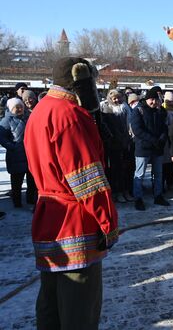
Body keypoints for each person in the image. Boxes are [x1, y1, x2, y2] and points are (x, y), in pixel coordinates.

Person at [24, 57, 118, 329]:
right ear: (81, 79)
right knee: (79, 308)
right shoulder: (70, 115)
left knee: (51, 303)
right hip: (77, 219)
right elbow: (87, 178)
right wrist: (108, 222)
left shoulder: (42, 110)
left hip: (48, 215)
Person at [131, 88, 170, 210]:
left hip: (157, 148)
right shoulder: (138, 110)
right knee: (140, 174)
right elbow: (137, 130)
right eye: (151, 99)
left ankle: (158, 195)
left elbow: (164, 127)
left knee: (158, 174)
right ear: (147, 99)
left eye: (156, 99)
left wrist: (162, 139)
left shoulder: (161, 111)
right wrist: (153, 139)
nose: (154, 102)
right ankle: (138, 198)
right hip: (143, 148)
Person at [0, 98, 37, 208]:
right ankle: (17, 202)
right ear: (11, 108)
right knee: (17, 181)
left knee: (32, 180)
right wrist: (13, 147)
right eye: (17, 107)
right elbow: (2, 137)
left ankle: (31, 199)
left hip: (29, 155)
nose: (20, 108)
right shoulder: (6, 121)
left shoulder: (28, 117)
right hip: (15, 156)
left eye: (21, 106)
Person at [100, 89, 132, 203]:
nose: (117, 100)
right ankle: (116, 192)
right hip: (112, 143)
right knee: (114, 170)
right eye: (114, 98)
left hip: (124, 141)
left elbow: (129, 125)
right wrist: (111, 137)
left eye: (119, 97)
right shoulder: (105, 108)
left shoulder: (125, 108)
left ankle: (125, 191)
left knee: (126, 168)